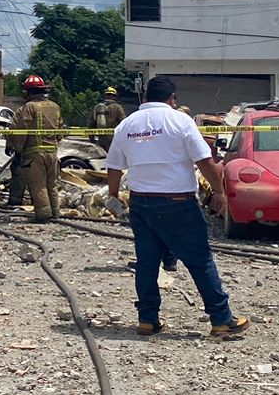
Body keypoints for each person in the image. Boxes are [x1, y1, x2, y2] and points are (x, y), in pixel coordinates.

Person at [106, 76, 249, 340]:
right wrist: (219, 192)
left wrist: (113, 196)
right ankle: (221, 319)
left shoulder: (127, 125)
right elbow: (205, 160)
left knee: (147, 262)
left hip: (141, 202)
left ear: (145, 97)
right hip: (177, 202)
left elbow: (114, 166)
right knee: (200, 260)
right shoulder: (180, 121)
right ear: (172, 98)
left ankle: (147, 320)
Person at [10, 74, 62, 221]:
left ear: (28, 92)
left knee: (38, 185)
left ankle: (43, 215)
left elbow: (22, 131)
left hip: (35, 154)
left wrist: (18, 150)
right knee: (52, 184)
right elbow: (60, 130)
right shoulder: (55, 106)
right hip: (53, 152)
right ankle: (55, 213)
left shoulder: (29, 107)